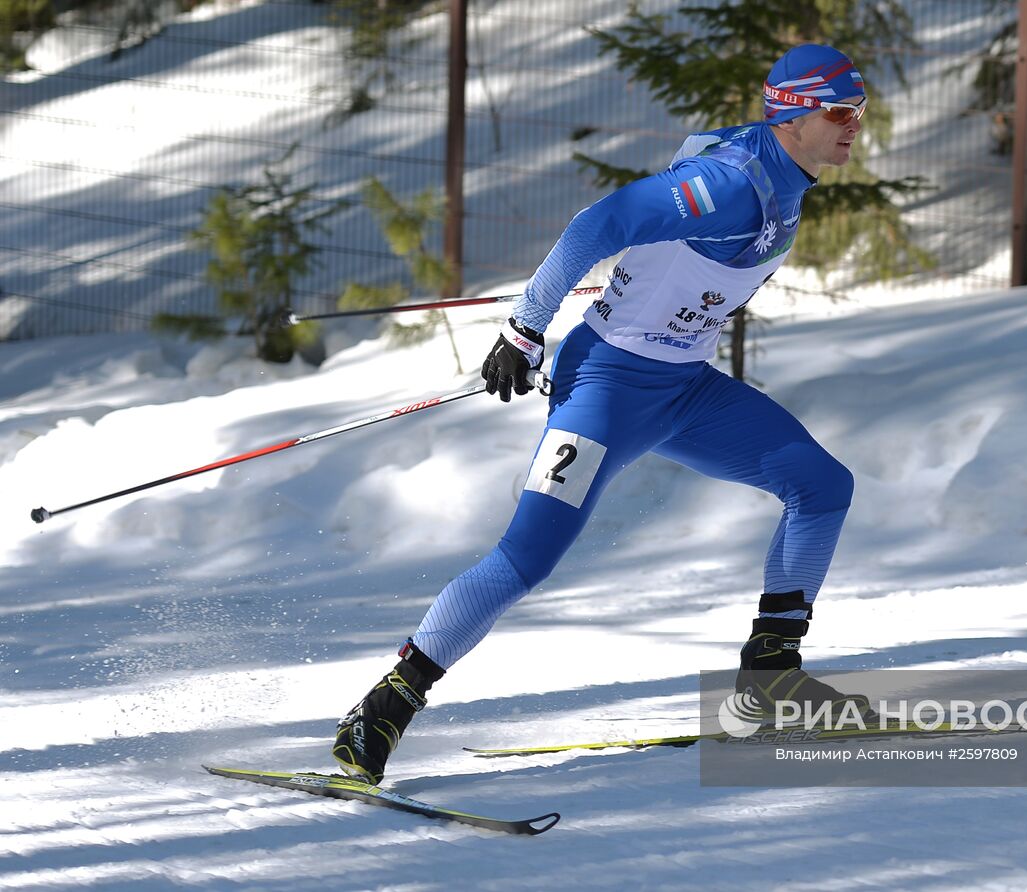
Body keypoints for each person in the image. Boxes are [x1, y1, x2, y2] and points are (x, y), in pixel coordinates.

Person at [332, 44, 872, 784]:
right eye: (841, 112)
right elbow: (597, 224)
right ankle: (387, 704)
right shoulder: (730, 185)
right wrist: (524, 328)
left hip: (686, 390)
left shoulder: (780, 170)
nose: (854, 126)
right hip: (608, 392)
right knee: (527, 559)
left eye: (860, 111)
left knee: (821, 486)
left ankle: (772, 675)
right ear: (794, 115)